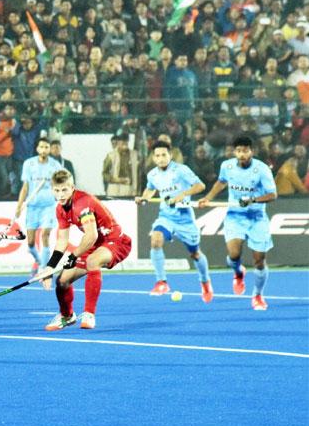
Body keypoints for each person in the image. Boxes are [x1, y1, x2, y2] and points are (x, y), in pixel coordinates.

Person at [41, 169, 132, 331]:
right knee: (62, 281)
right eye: (57, 190)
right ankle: (67, 316)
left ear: (72, 187)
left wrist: (73, 255)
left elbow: (90, 236)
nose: (60, 194)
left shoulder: (82, 202)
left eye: (64, 190)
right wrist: (49, 267)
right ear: (52, 190)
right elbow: (62, 240)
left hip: (115, 241)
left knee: (92, 261)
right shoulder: (60, 209)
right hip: (95, 245)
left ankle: (89, 314)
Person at [198, 136, 278, 311]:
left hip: (257, 218)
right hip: (235, 216)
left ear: (252, 151)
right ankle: (238, 273)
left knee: (259, 260)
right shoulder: (226, 166)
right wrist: (208, 198)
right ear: (234, 152)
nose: (242, 154)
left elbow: (272, 195)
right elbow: (221, 182)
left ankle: (257, 295)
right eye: (239, 151)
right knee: (233, 255)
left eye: (245, 151)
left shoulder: (262, 169)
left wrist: (253, 200)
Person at [135, 141, 213, 302]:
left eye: (164, 155)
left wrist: (182, 195)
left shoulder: (181, 170)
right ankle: (161, 282)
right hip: (166, 217)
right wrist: (143, 199)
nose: (161, 158)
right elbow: (150, 189)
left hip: (185, 218)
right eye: (157, 155)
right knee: (156, 240)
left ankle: (205, 282)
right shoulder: (152, 175)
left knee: (195, 253)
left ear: (170, 155)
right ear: (154, 158)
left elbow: (200, 186)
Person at [14, 137, 63, 275]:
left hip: (48, 206)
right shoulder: (29, 164)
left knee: (45, 235)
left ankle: (44, 269)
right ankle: (40, 262)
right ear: (37, 149)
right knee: (30, 242)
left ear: (49, 149)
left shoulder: (55, 165)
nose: (44, 150)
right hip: (33, 207)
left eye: (46, 147)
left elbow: (60, 184)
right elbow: (25, 187)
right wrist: (19, 206)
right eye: (41, 147)